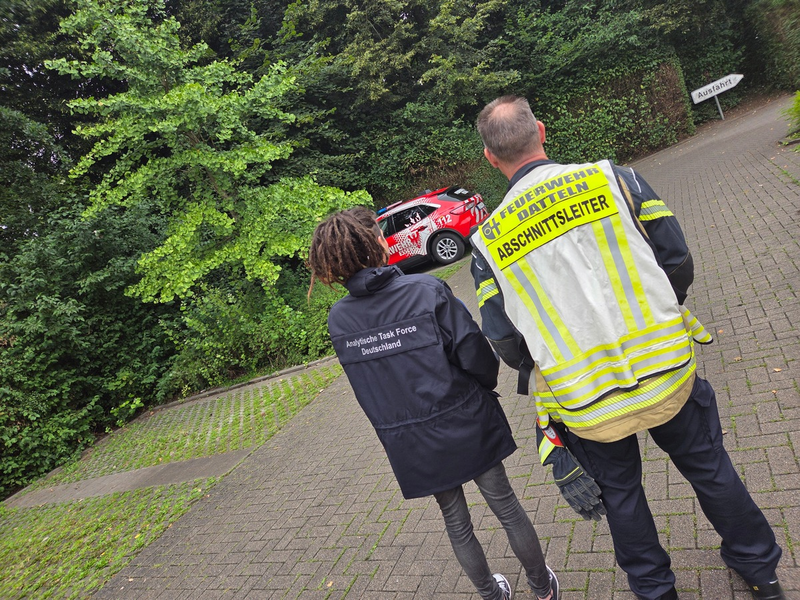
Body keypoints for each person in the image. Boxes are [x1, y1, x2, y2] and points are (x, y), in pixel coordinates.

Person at [468, 96, 785, 600]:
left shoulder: (488, 241)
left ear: (490, 157)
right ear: (541, 131)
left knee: (621, 496)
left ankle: (657, 592)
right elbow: (676, 259)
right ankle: (760, 571)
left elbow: (505, 339)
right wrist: (660, 315)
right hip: (667, 372)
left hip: (587, 400)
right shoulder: (616, 181)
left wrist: (547, 359)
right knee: (709, 467)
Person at [307, 207, 559, 600]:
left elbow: (368, 387)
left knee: (456, 523)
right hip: (465, 421)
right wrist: (485, 385)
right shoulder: (425, 291)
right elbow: (475, 355)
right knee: (506, 507)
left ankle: (491, 595)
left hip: (413, 442)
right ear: (374, 245)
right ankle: (542, 589)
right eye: (379, 234)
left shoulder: (339, 320)